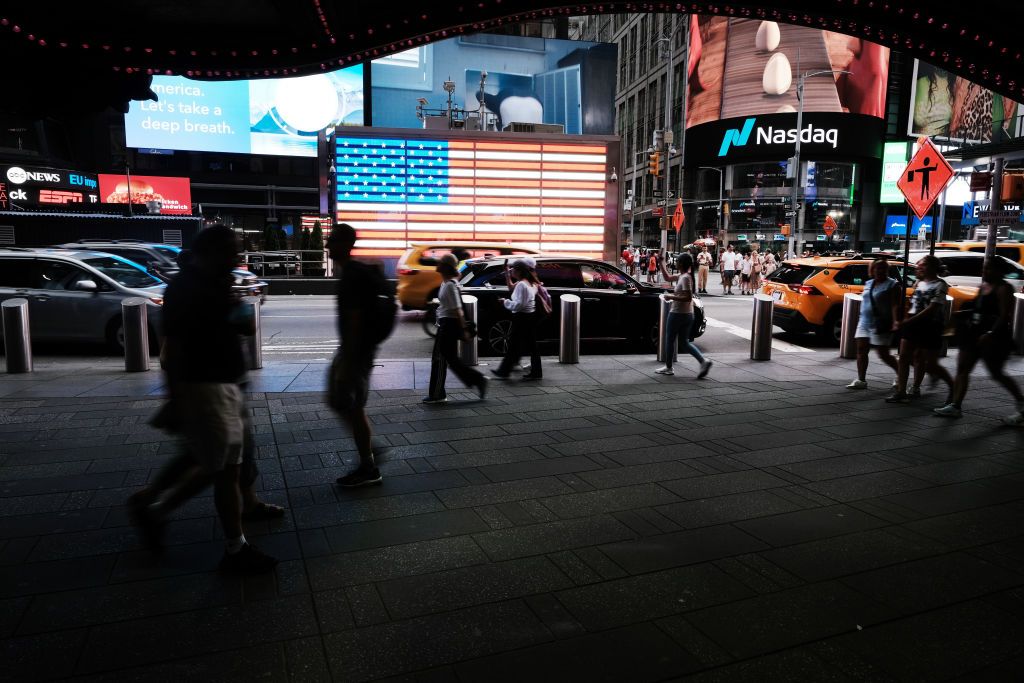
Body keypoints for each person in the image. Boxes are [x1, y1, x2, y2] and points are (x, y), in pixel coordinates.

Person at [128, 225, 278, 574]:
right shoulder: (189, 287)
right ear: (210, 252)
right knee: (223, 469)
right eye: (231, 250)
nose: (237, 257)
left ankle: (149, 504)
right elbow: (175, 346)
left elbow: (242, 326)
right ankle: (232, 548)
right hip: (207, 387)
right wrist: (176, 395)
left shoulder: (212, 282)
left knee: (202, 457)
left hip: (223, 384)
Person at [328, 223, 390, 487]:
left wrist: (348, 362)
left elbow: (354, 321)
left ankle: (369, 465)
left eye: (331, 240)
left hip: (355, 352)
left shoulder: (352, 277)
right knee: (345, 404)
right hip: (357, 351)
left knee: (350, 405)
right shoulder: (352, 273)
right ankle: (369, 456)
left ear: (344, 244)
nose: (327, 245)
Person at [934, 259, 1024, 422]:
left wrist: (990, 333)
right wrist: (959, 314)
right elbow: (978, 309)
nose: (984, 271)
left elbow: (1004, 316)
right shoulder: (983, 286)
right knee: (963, 369)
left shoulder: (1004, 288)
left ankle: (1021, 403)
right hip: (974, 334)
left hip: (994, 338)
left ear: (999, 271)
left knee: (996, 373)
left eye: (988, 269)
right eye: (984, 268)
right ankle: (955, 406)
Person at [886, 254, 954, 404]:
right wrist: (905, 319)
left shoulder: (940, 285)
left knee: (929, 363)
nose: (918, 268)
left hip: (930, 326)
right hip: (913, 324)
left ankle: (951, 386)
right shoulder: (918, 283)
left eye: (922, 265)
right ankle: (901, 391)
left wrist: (909, 321)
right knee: (904, 357)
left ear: (931, 267)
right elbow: (913, 304)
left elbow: (933, 308)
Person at [424, 257, 488, 404]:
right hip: (446, 324)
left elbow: (458, 310)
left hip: (449, 325)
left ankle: (438, 394)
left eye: (440, 262)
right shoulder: (446, 283)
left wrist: (464, 330)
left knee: (440, 360)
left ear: (445, 267)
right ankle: (478, 380)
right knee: (450, 360)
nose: (437, 264)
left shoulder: (450, 285)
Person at [656, 253, 713, 378]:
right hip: (688, 314)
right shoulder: (683, 276)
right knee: (684, 342)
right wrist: (661, 262)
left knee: (670, 340)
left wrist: (670, 296)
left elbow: (687, 297)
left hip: (678, 313)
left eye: (677, 261)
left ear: (681, 264)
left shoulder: (685, 278)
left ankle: (669, 367)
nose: (676, 263)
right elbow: (667, 277)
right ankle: (703, 362)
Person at [847, 259, 901, 390]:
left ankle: (901, 375)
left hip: (881, 323)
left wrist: (895, 321)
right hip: (864, 321)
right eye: (877, 268)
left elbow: (895, 305)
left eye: (883, 268)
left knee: (883, 354)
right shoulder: (869, 283)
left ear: (887, 270)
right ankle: (861, 379)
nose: (880, 270)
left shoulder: (893, 285)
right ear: (872, 270)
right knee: (861, 350)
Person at [492, 259, 542, 380]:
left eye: (513, 269)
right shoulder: (530, 283)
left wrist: (505, 302)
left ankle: (505, 371)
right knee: (525, 345)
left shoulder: (522, 285)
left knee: (518, 345)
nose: (511, 270)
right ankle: (506, 371)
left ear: (519, 271)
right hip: (528, 317)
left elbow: (519, 305)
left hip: (522, 317)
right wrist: (507, 274)